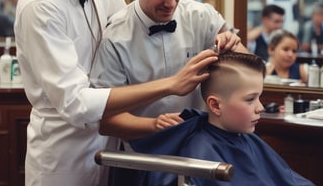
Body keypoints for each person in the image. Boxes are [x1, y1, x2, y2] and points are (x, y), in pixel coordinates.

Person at [14, 0, 217, 185]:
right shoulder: (39, 6)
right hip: (63, 154)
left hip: (113, 151)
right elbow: (75, 103)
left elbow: (132, 46)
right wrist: (170, 84)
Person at [91, 0, 248, 138]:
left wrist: (235, 48)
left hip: (203, 148)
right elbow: (105, 121)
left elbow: (248, 69)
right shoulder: (114, 38)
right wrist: (154, 125)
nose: (171, 2)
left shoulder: (202, 16)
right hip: (143, 155)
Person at [129, 51, 315, 186]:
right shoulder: (200, 151)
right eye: (250, 99)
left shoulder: (247, 139)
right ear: (216, 105)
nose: (261, 107)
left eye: (259, 97)